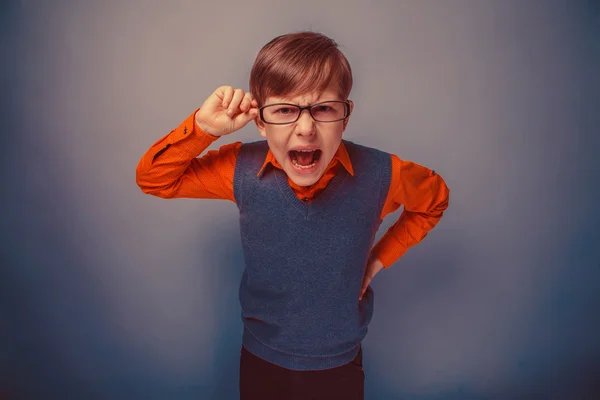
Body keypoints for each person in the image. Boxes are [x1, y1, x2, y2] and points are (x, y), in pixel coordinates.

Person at [136, 31, 450, 400]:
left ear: (345, 117)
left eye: (324, 108)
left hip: (339, 365)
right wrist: (204, 129)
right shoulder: (240, 169)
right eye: (284, 110)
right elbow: (154, 179)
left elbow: (434, 200)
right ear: (261, 121)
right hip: (260, 357)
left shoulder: (383, 174)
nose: (305, 128)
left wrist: (378, 260)